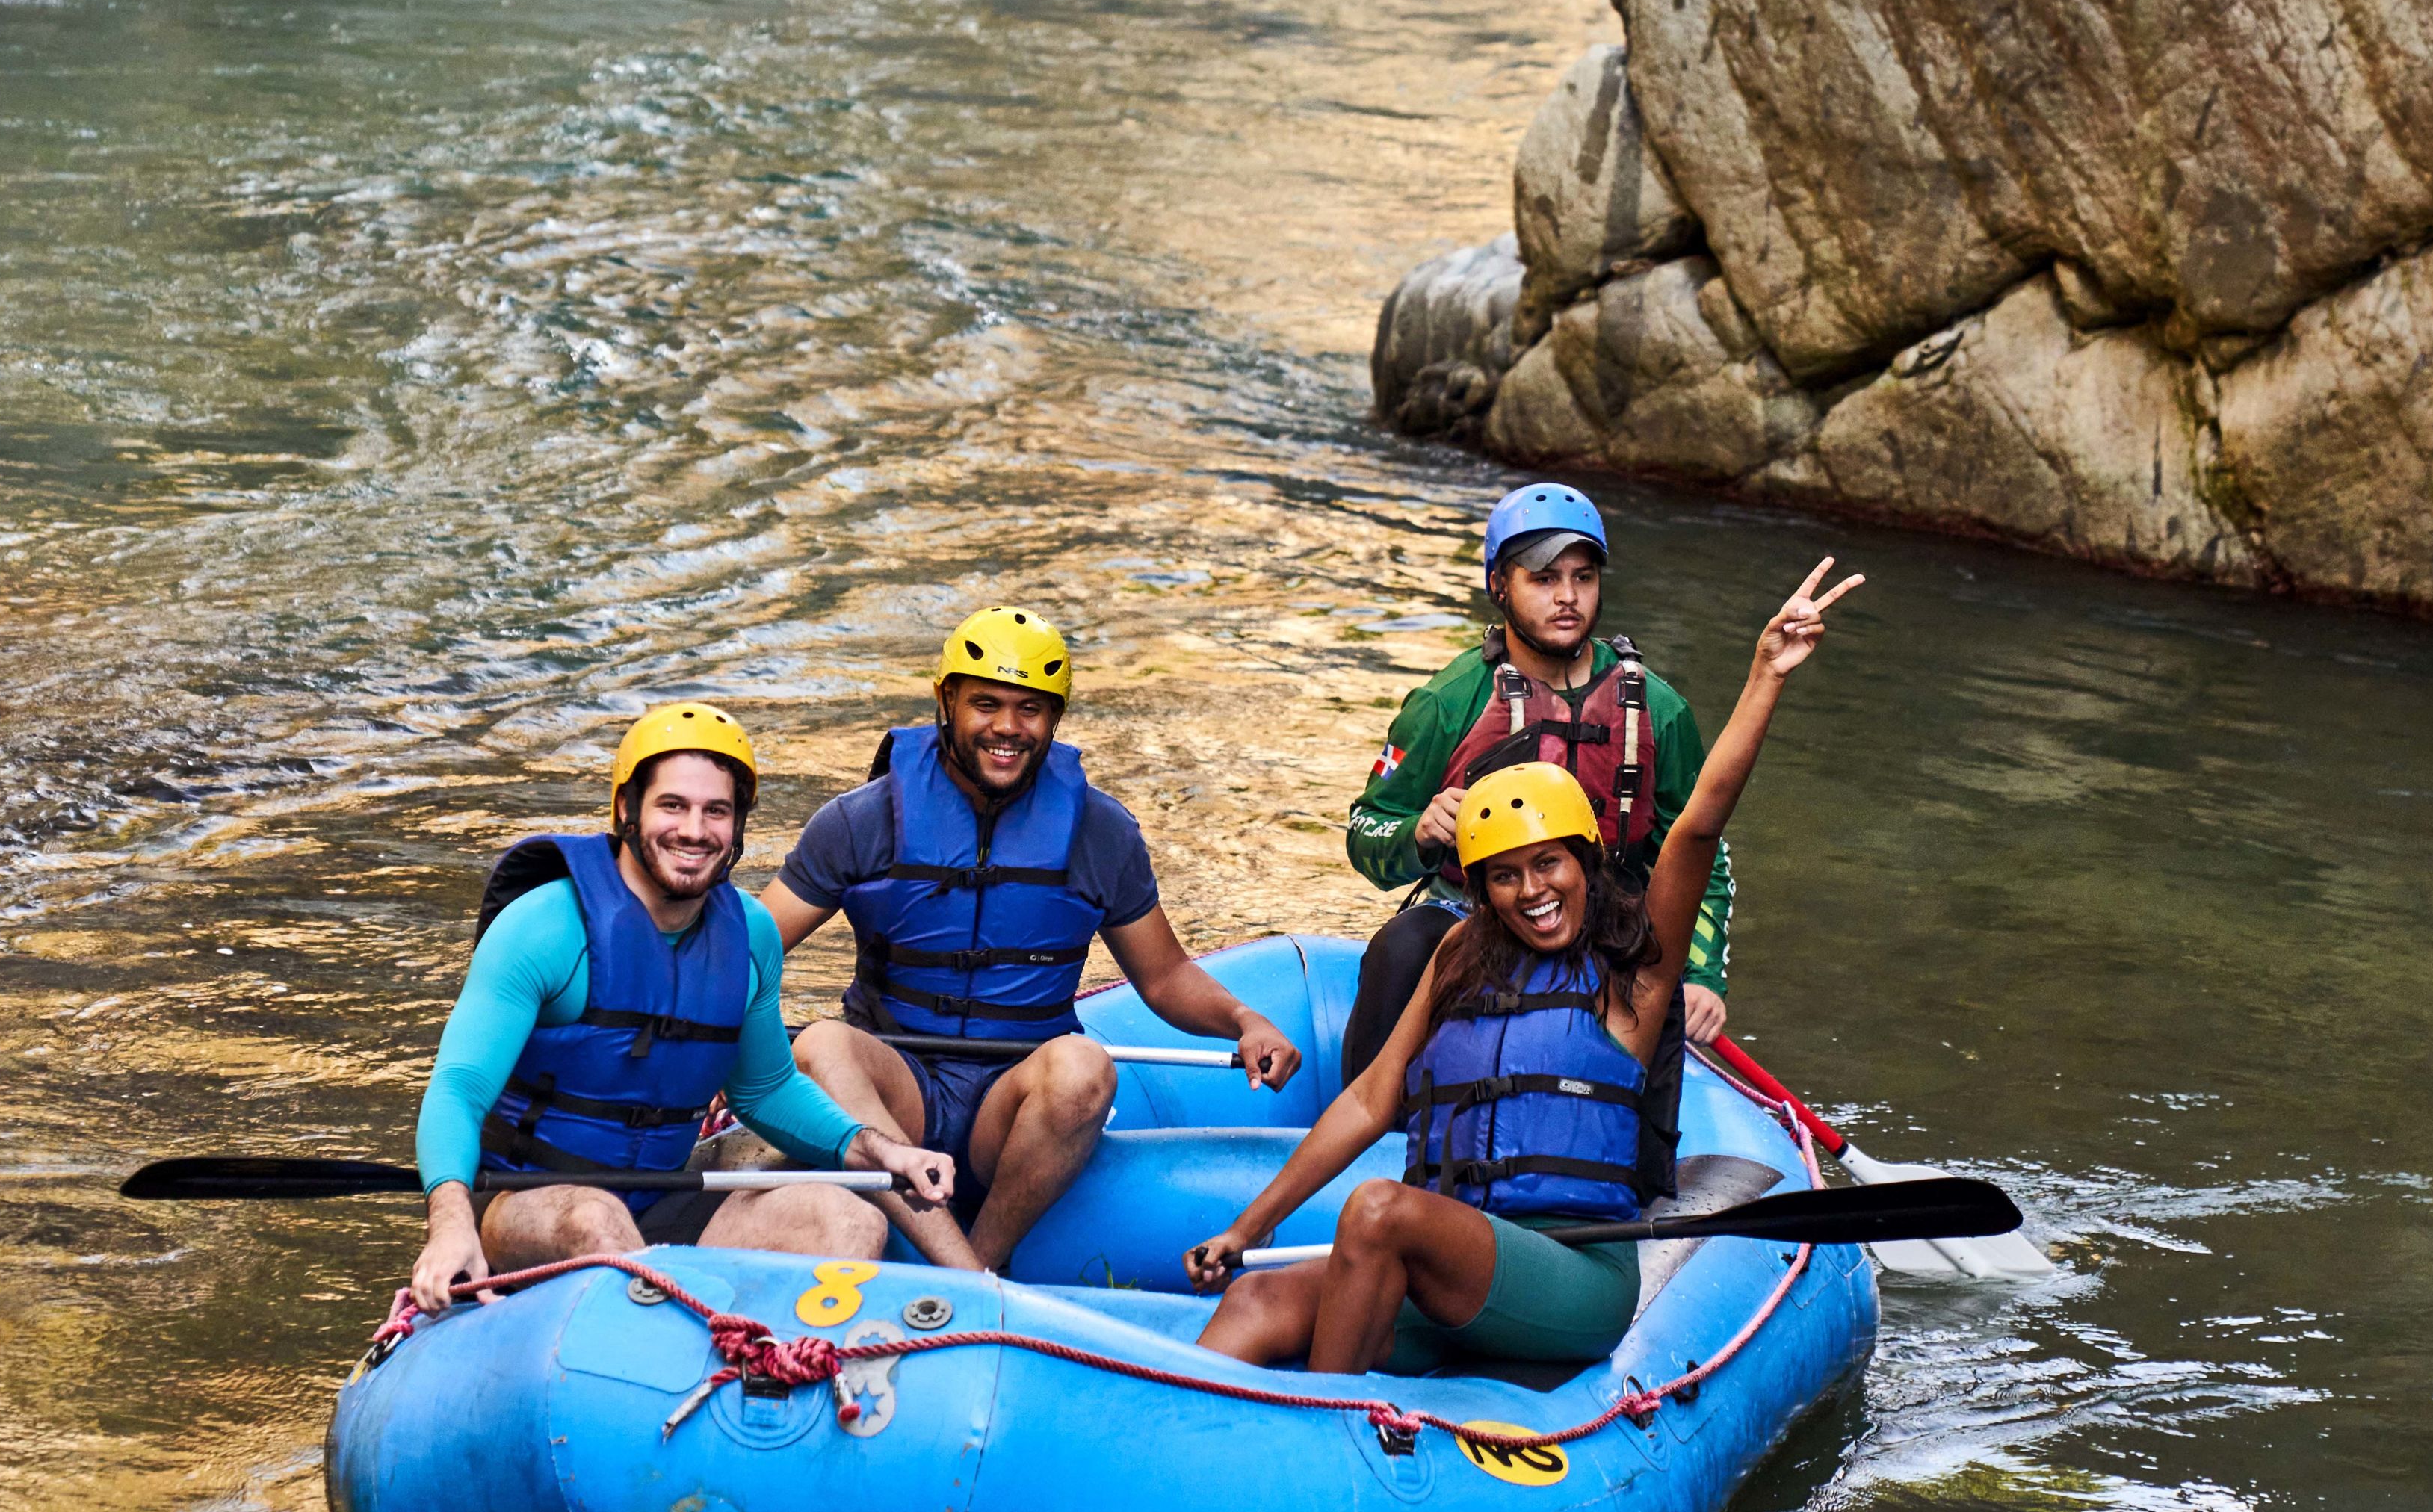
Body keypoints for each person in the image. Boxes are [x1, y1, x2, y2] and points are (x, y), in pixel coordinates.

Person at [1185, 559, 1861, 1380]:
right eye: (1504, 875)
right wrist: (1247, 1230)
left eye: (1549, 865)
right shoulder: (1459, 956)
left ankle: (1324, 1432)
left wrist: (1765, 676)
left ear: (1585, 861)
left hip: (1571, 1277)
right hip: (1449, 1266)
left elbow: (1695, 827)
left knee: (1380, 1209)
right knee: (1257, 1300)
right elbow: (1367, 1101)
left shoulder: (1634, 970)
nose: (1532, 892)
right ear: (1481, 888)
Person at [764, 604, 1303, 1274]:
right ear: (946, 701)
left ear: (1055, 718)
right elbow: (750, 950)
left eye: (1031, 709)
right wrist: (724, 1048)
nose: (1008, 728)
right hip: (898, 1087)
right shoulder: (859, 822)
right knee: (819, 1045)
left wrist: (1245, 1020)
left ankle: (983, 1266)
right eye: (986, 704)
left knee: (1084, 1066)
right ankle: (965, 1274)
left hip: (1013, 1105)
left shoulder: (1102, 833)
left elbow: (1165, 977)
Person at [403, 702, 954, 1317]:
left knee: (847, 1220)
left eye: (716, 811)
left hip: (661, 1198)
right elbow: (458, 1090)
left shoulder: (751, 935)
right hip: (522, 1204)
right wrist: (450, 1222)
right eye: (673, 806)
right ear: (626, 809)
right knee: (594, 1218)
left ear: (737, 825)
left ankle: (750, 1362)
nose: (695, 830)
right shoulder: (545, 927)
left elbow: (767, 1091)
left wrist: (883, 1151)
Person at [1341, 483, 1736, 1138]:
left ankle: (1637, 1164)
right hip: (1475, 914)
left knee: (1652, 990)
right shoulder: (1448, 701)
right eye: (1544, 578)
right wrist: (1419, 833)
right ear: (1500, 586)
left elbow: (1704, 857)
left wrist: (1699, 977)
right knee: (1401, 947)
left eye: (1583, 577)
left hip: (1605, 923)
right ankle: (1371, 1136)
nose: (1568, 597)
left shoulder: (1659, 711)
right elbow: (1366, 833)